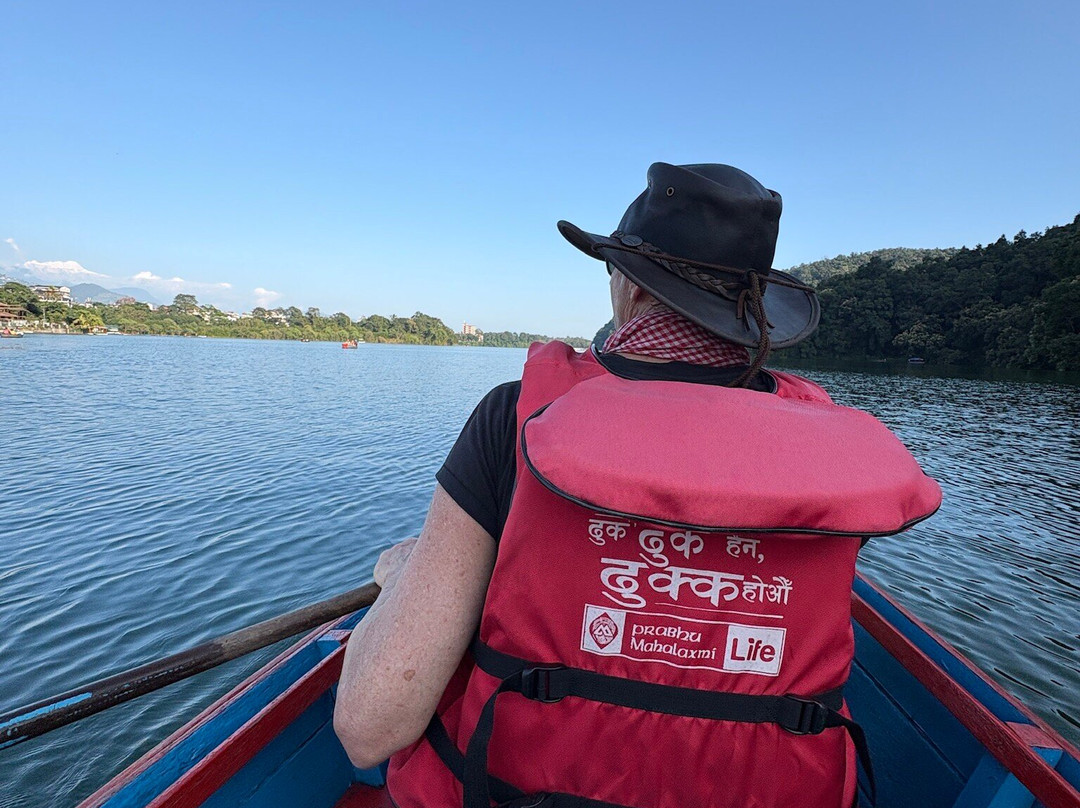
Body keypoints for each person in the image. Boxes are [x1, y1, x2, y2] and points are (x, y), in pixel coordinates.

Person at [334, 163, 941, 808]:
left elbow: (370, 730)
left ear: (630, 284)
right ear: (755, 308)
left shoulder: (515, 419)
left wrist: (407, 579)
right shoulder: (830, 464)